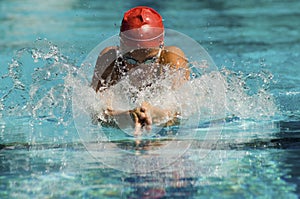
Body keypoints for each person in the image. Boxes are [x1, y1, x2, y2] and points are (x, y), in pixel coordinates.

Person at [91, 6, 190, 135]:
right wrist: (126, 117)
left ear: (162, 47)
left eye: (149, 60)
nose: (139, 69)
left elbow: (181, 111)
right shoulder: (110, 61)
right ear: (121, 48)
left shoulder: (172, 59)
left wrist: (155, 114)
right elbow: (97, 113)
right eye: (130, 60)